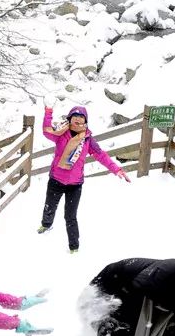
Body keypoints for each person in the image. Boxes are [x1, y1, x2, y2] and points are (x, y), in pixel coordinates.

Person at [38, 105, 130, 253]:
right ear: (69, 118)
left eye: (81, 117)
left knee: (70, 216)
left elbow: (101, 155)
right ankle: (46, 225)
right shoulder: (61, 133)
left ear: (85, 120)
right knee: (50, 206)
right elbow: (46, 130)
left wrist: (116, 169)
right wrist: (48, 111)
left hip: (75, 184)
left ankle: (74, 247)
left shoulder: (88, 139)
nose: (78, 119)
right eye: (75, 116)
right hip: (56, 179)